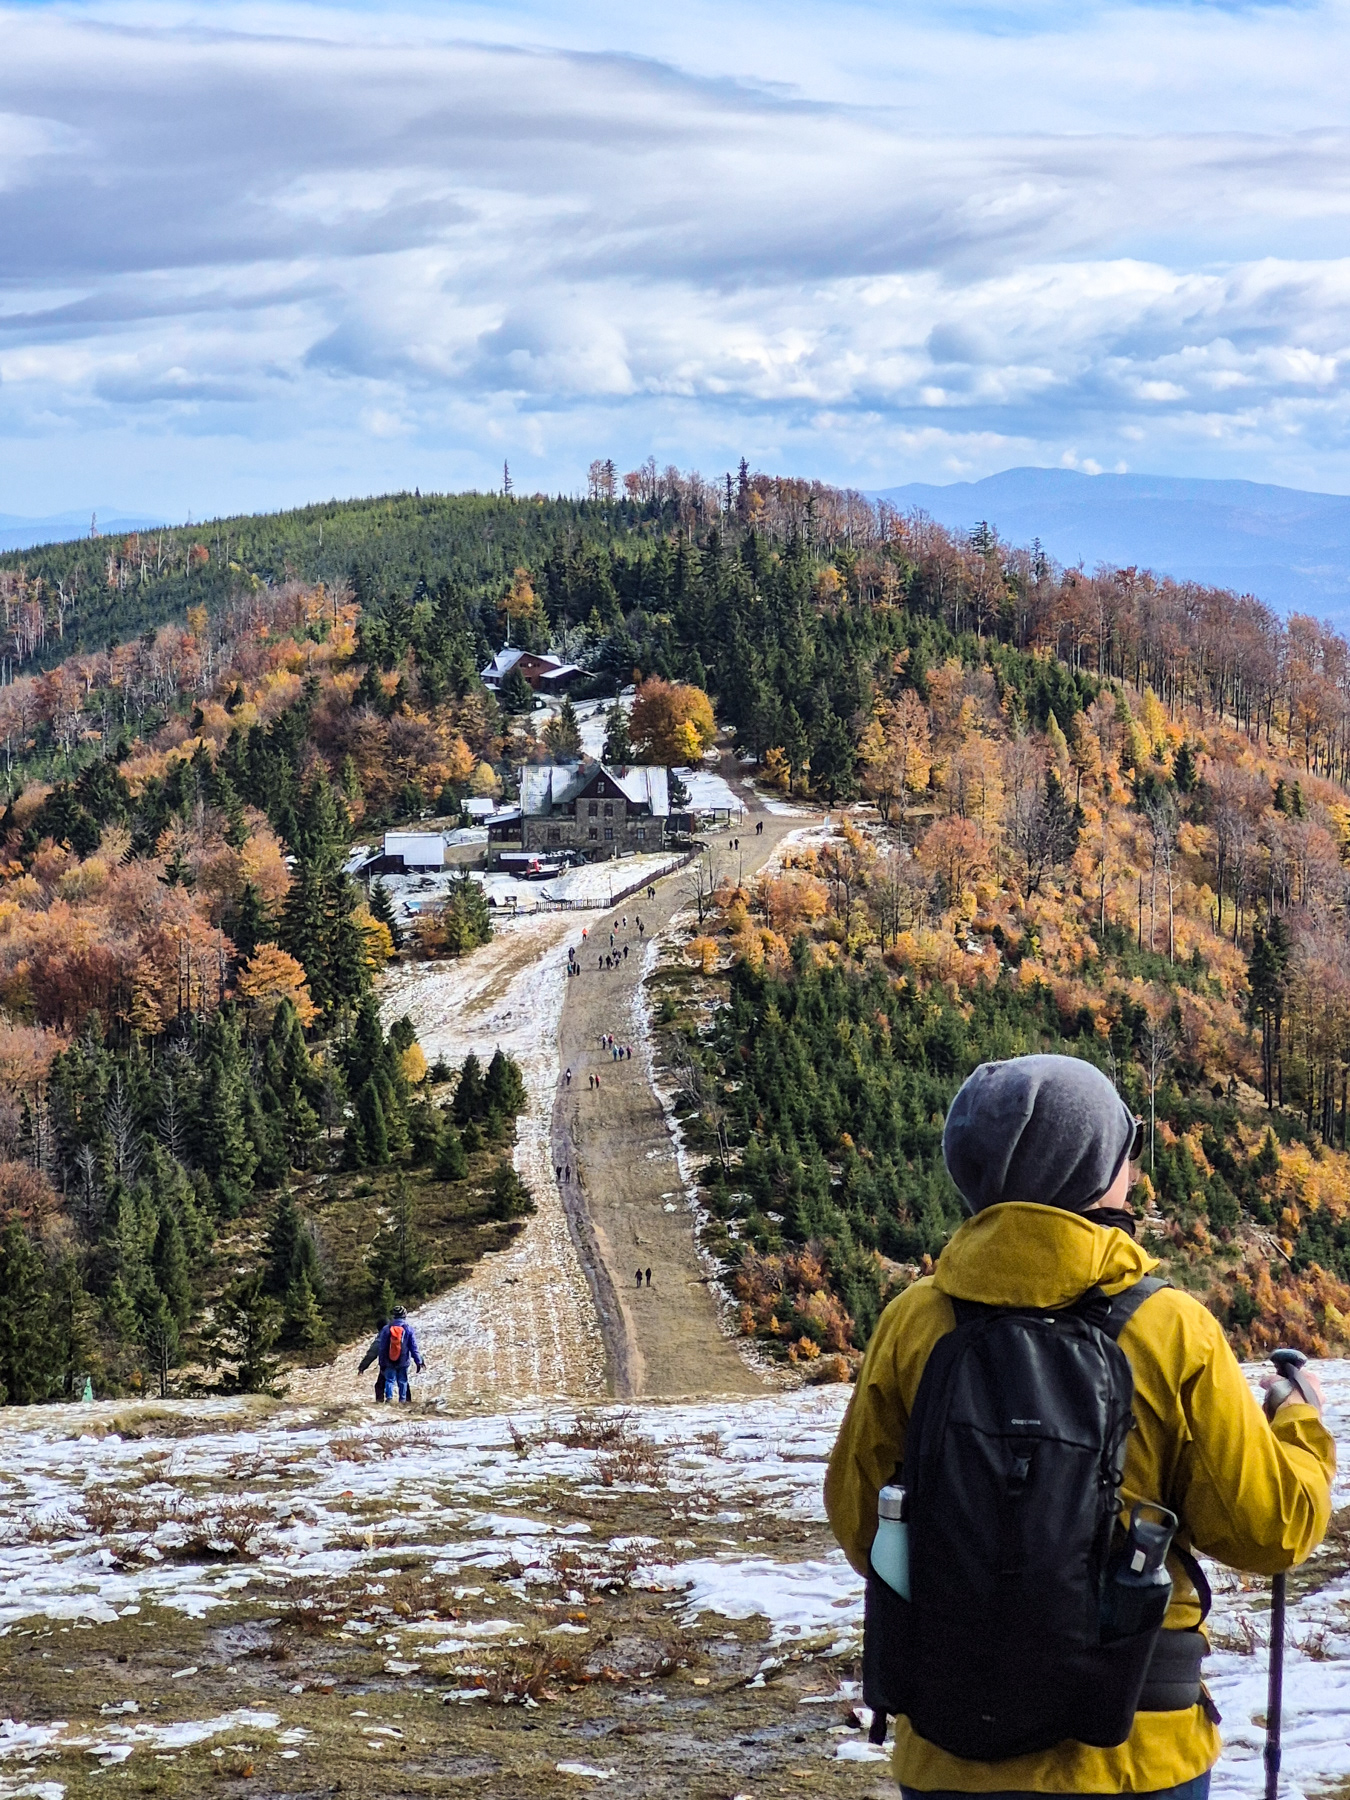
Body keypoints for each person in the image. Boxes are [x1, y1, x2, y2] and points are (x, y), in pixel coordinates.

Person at [826, 1053, 1335, 1800]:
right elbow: (1271, 1530)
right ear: (1092, 1169)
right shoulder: (1169, 1329)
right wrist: (1299, 1425)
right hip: (1133, 1750)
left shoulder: (915, 1323)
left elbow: (860, 1525)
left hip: (950, 1754)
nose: (1132, 1168)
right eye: (1124, 1150)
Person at [375, 1305, 425, 1403]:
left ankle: (389, 1398)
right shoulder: (408, 1329)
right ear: (404, 1315)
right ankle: (402, 1400)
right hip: (403, 1359)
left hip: (389, 1359)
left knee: (389, 1380)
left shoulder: (386, 1329)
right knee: (402, 1380)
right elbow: (413, 1347)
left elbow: (382, 1347)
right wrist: (418, 1361)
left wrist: (381, 1363)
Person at [357, 1318, 387, 1402]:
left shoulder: (382, 1335)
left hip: (387, 1364)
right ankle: (407, 1401)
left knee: (379, 1385)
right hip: (402, 1362)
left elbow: (372, 1353)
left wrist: (362, 1367)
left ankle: (380, 1403)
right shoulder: (399, 1332)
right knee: (403, 1383)